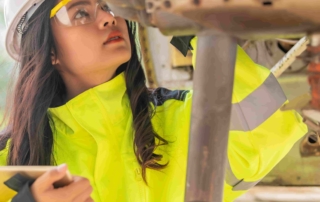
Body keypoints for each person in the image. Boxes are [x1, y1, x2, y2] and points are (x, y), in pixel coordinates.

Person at [0, 0, 307, 201]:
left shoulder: (180, 119)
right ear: (48, 49)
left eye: (108, 5)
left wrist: (190, 21)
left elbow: (268, 132)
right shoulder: (10, 162)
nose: (108, 17)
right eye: (80, 11)